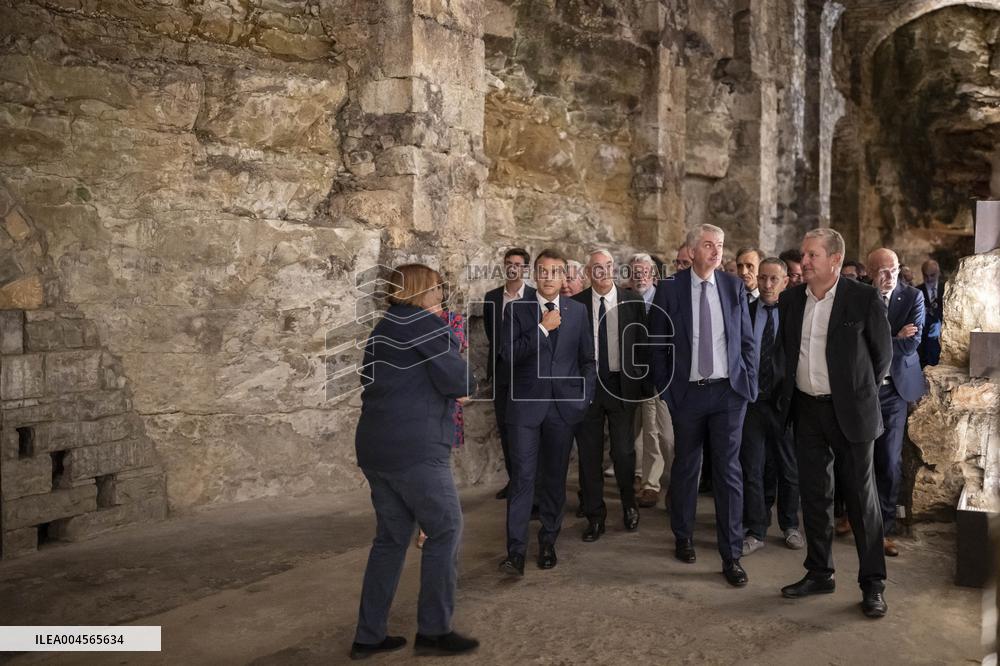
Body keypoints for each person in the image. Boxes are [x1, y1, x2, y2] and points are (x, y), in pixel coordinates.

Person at [351, 264, 479, 659]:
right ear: (423, 291)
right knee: (445, 529)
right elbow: (461, 382)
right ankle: (434, 631)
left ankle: (368, 636)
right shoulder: (426, 325)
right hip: (416, 448)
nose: (441, 295)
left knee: (390, 539)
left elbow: (375, 381)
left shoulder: (383, 328)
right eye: (437, 288)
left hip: (375, 447)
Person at [776, 228, 891, 619]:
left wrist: (856, 394)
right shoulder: (791, 300)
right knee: (814, 496)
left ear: (835, 261)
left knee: (862, 501)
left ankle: (873, 584)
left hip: (852, 413)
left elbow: (881, 357)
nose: (804, 262)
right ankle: (819, 572)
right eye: (804, 255)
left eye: (812, 255)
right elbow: (787, 353)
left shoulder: (863, 298)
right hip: (806, 410)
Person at [649, 224, 758, 588]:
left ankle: (732, 555)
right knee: (687, 465)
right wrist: (667, 391)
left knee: (729, 471)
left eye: (720, 245)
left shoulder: (732, 286)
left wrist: (747, 384)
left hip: (728, 393)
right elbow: (656, 345)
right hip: (687, 393)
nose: (716, 251)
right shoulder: (670, 289)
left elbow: (746, 339)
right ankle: (683, 535)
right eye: (709, 245)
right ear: (692, 250)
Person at [499, 249, 596, 575]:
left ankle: (548, 543)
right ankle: (514, 553)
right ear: (535, 275)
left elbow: (587, 361)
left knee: (555, 480)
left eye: (556, 272)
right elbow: (507, 355)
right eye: (543, 271)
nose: (549, 277)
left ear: (564, 277)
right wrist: (541, 328)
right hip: (525, 409)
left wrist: (583, 398)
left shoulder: (578, 311)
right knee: (523, 479)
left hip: (563, 410)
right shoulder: (517, 310)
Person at [573, 249, 648, 541]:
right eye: (596, 268)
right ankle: (595, 516)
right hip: (589, 387)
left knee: (623, 452)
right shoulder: (576, 305)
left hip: (621, 387)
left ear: (614, 269)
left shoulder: (633, 301)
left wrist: (642, 384)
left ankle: (629, 505)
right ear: (588, 273)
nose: (602, 272)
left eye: (607, 266)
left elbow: (641, 345)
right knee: (589, 455)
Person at [739, 257, 803, 556]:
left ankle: (790, 525)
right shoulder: (746, 311)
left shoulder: (795, 314)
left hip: (785, 404)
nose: (766, 285)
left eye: (773, 279)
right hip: (752, 402)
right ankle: (756, 528)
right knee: (752, 468)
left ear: (786, 281)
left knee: (788, 468)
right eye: (762, 278)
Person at [867, 248, 926, 557]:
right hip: (865, 391)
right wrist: (895, 336)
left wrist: (886, 341)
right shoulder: (864, 297)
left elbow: (912, 343)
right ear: (869, 272)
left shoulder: (913, 297)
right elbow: (859, 345)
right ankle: (860, 517)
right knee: (861, 457)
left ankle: (885, 525)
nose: (888, 276)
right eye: (881, 271)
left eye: (892, 269)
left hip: (895, 392)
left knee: (889, 461)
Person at [483, 248, 535, 500]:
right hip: (503, 374)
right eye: (509, 263)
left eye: (518, 264)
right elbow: (492, 335)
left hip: (529, 374)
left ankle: (531, 485)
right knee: (505, 429)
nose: (513, 267)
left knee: (527, 430)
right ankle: (515, 481)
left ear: (526, 268)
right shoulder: (492, 298)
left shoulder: (536, 297)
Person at [627, 253, 675, 509]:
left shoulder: (664, 299)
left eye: (644, 272)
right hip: (635, 378)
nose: (639, 277)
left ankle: (674, 482)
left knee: (666, 435)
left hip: (664, 377)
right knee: (647, 433)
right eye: (634, 272)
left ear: (654, 275)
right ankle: (650, 484)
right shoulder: (625, 300)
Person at [918, 259, 945, 367]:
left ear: (938, 273)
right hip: (923, 343)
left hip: (943, 340)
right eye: (926, 275)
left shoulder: (947, 288)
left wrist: (942, 325)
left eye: (932, 275)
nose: (929, 279)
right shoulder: (917, 291)